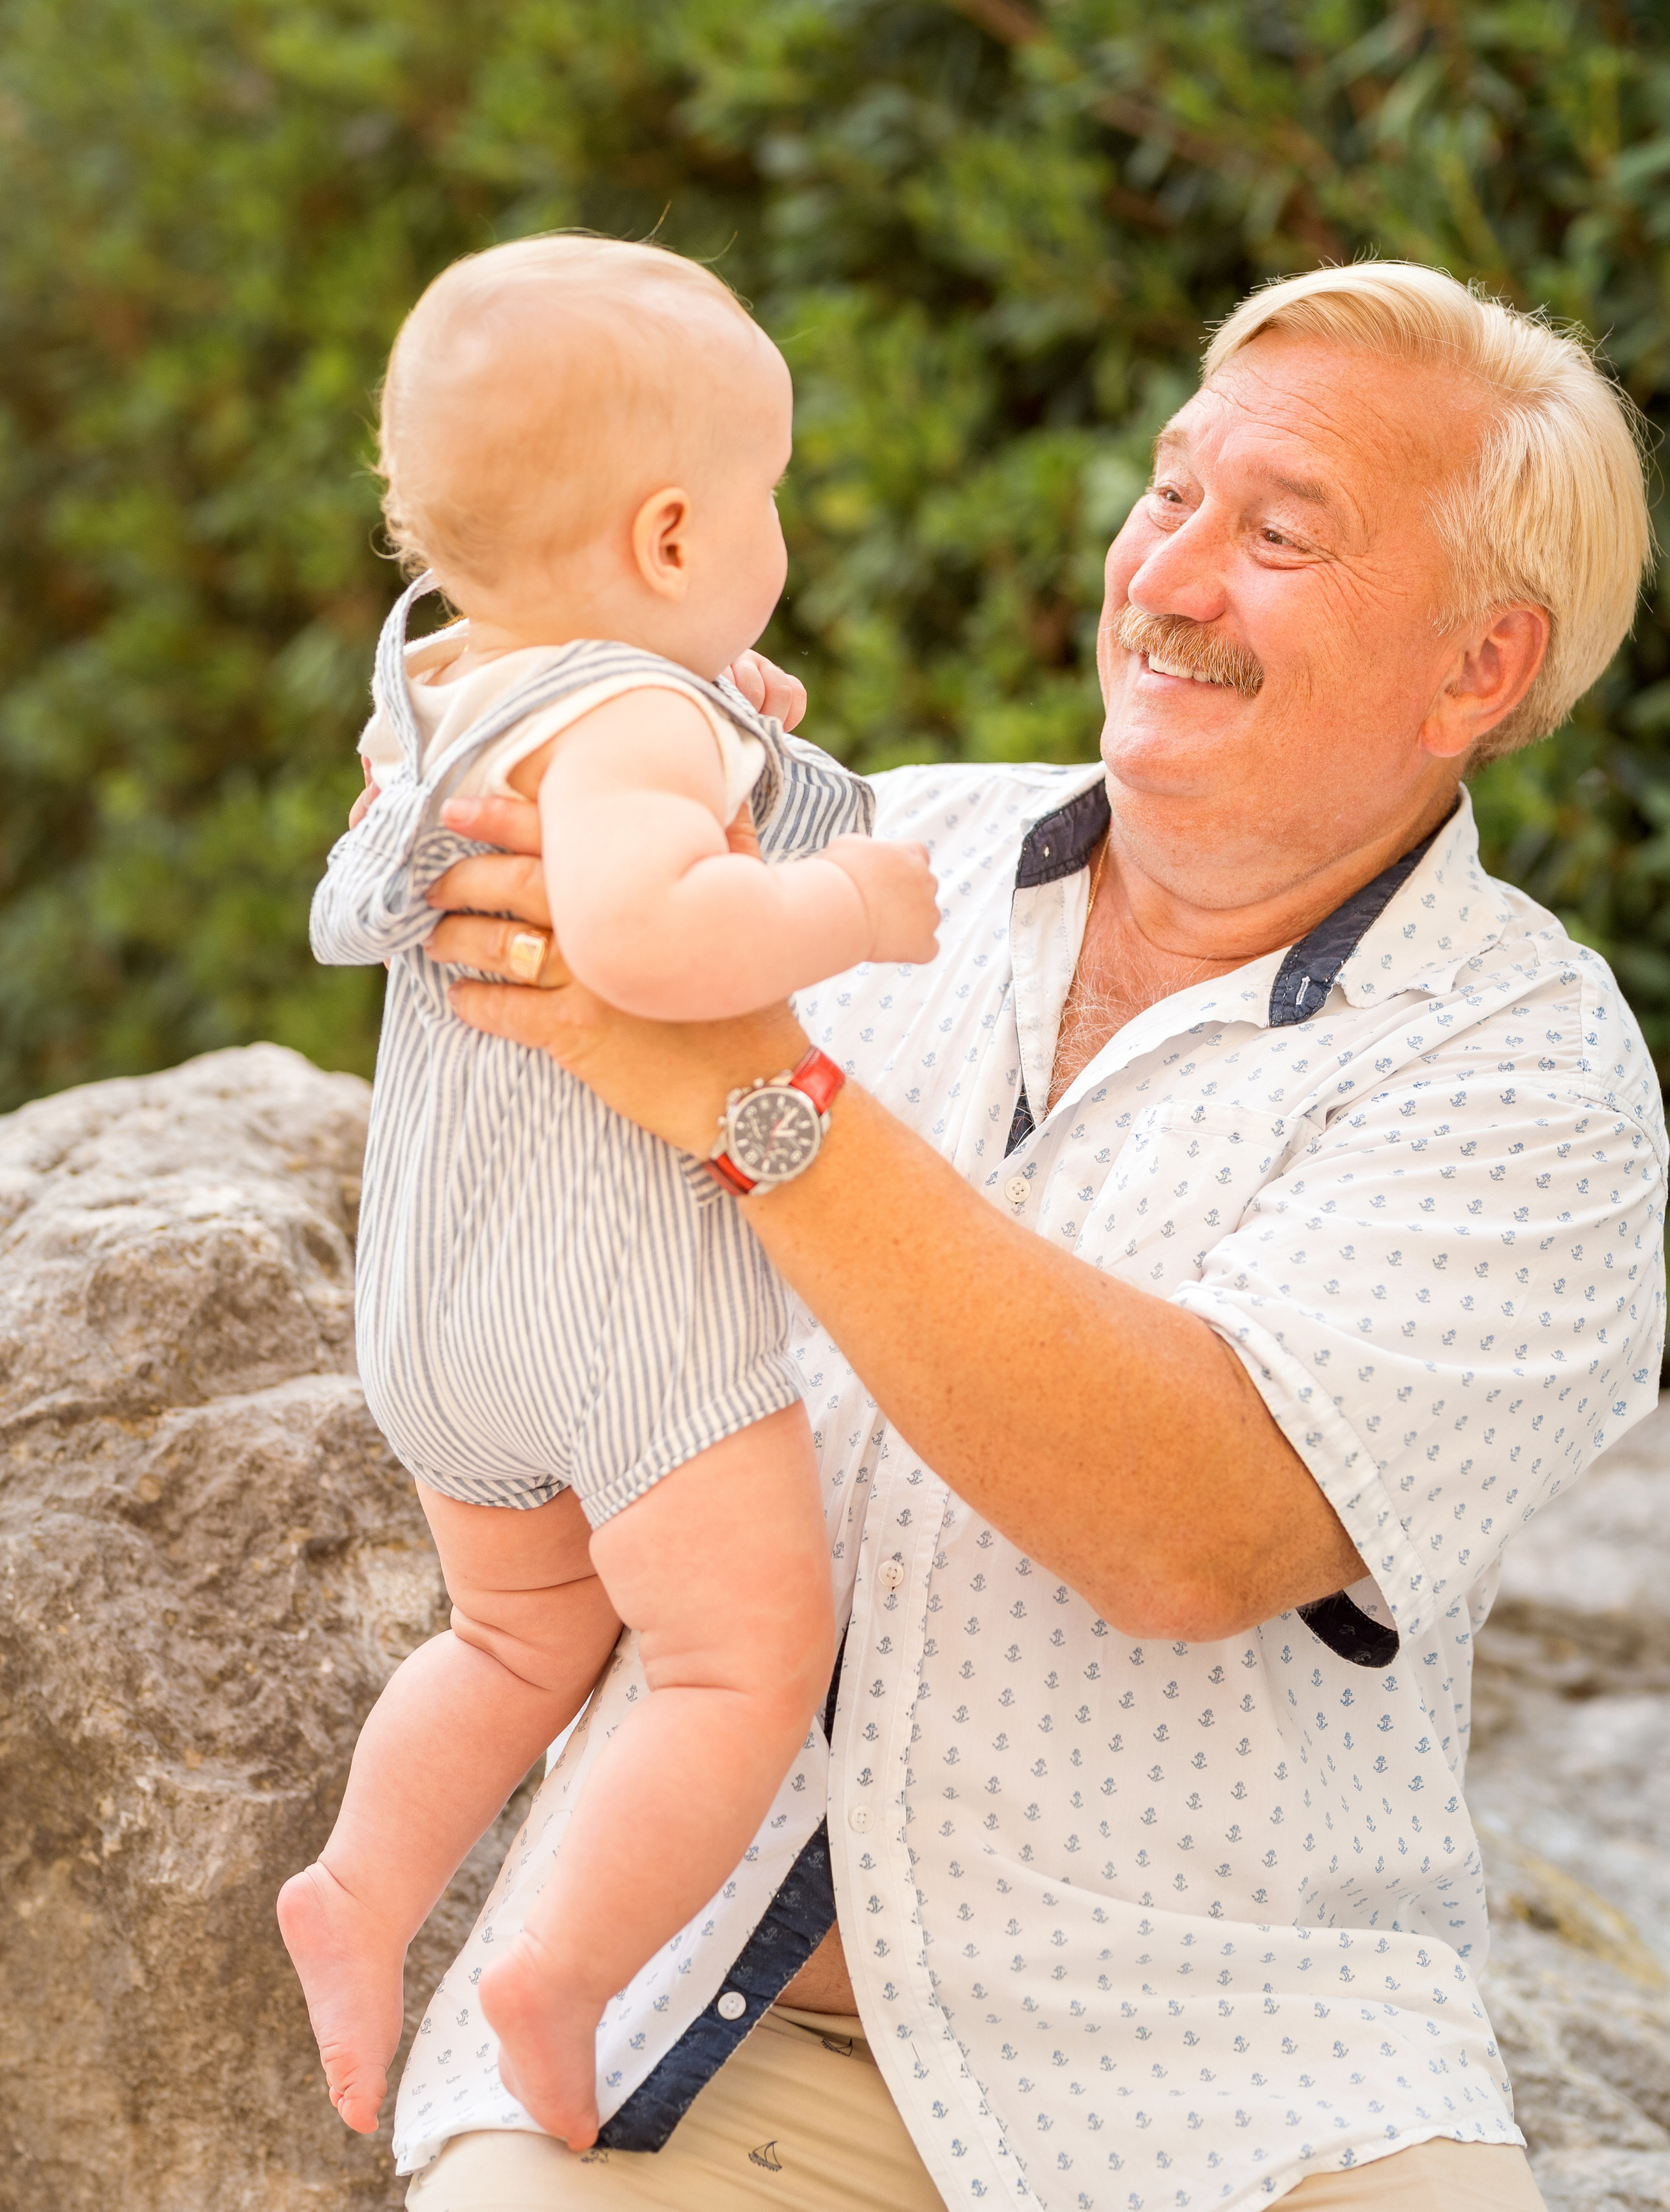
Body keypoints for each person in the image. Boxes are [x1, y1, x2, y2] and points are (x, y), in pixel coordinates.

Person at [392, 259, 1666, 2212]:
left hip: (1246, 2077)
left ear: (1478, 671)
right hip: (681, 2035)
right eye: (1171, 496)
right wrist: (548, 760)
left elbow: (1191, 1528)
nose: (1171, 575)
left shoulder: (1534, 1080)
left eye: (1281, 535)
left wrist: (760, 1094)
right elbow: (503, 1032)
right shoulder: (847, 849)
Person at [276, 234, 939, 2148]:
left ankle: (363, 1891)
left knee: (512, 1640)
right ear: (669, 538)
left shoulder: (442, 689)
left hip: (430, 1304)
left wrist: (735, 715)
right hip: (612, 1307)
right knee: (735, 1660)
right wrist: (850, 903)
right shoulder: (641, 722)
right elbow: (649, 939)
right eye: (767, 500)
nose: (779, 533)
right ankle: (556, 1967)